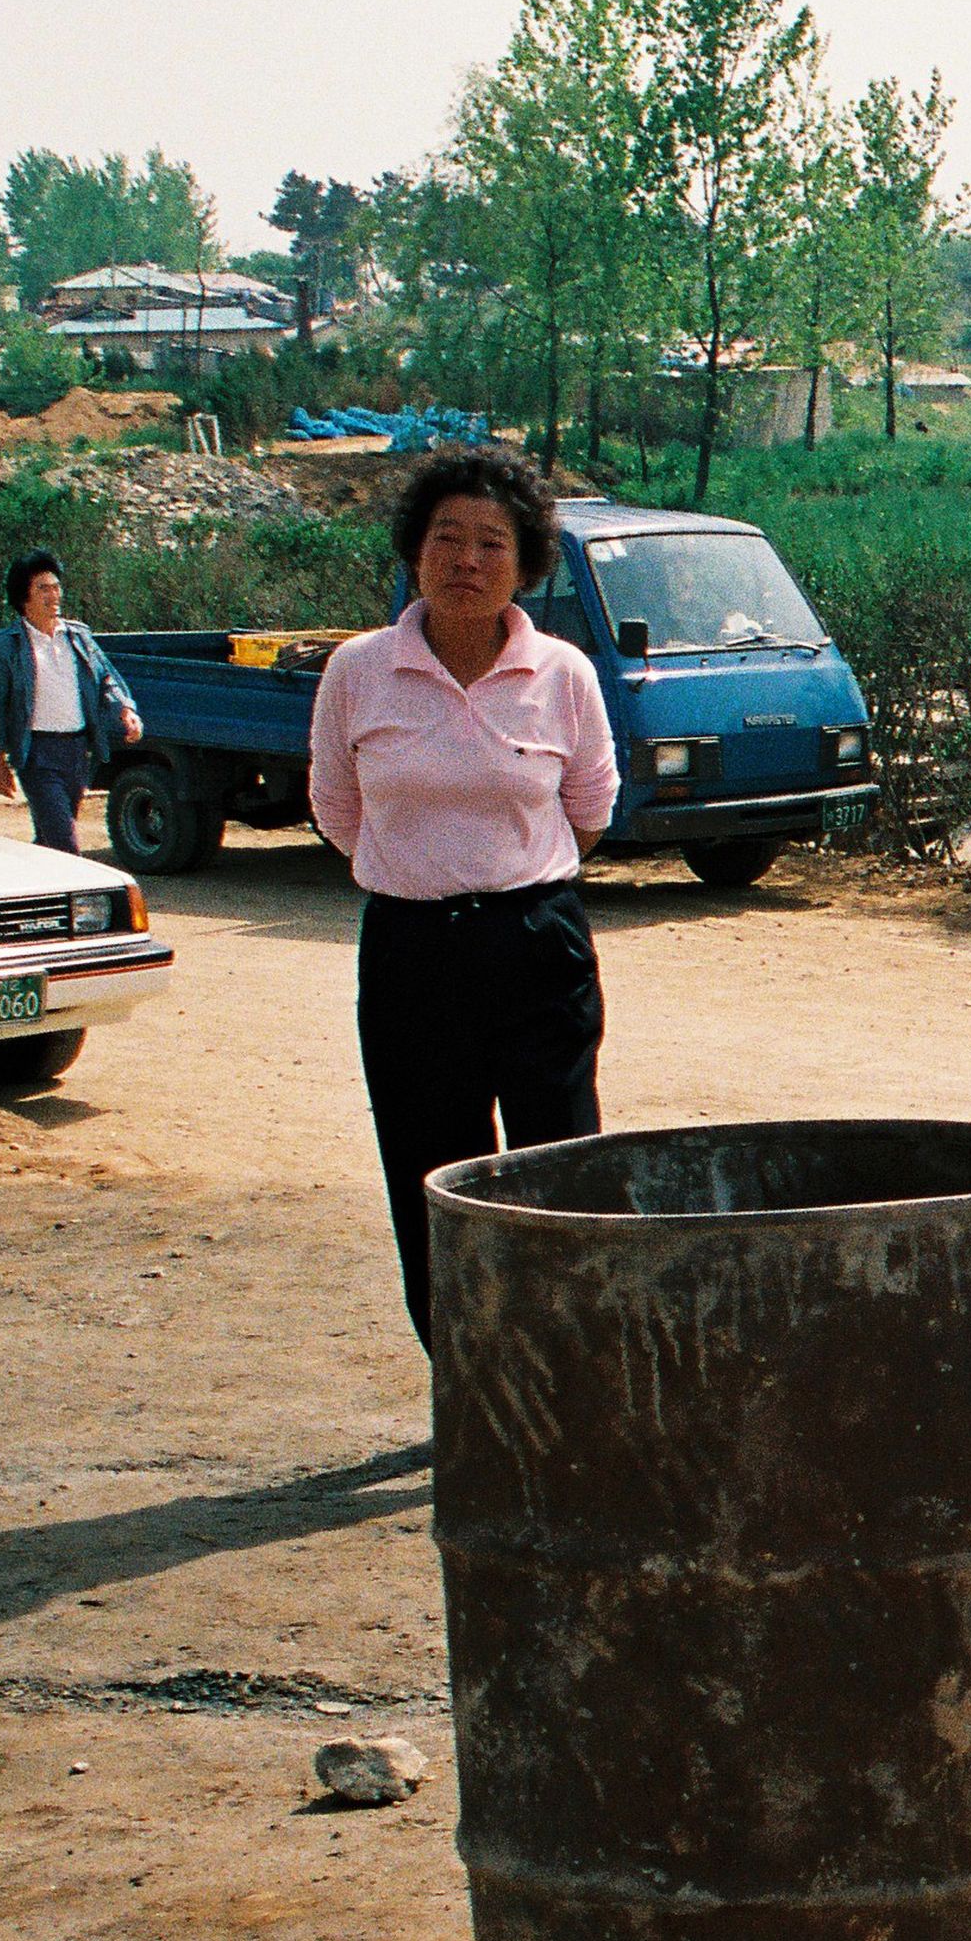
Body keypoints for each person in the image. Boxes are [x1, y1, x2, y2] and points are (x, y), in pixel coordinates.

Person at [307, 452, 620, 1350]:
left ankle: (566, 1368)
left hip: (537, 947)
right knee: (428, 1167)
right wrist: (425, 871)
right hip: (412, 953)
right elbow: (336, 808)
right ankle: (466, 1379)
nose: (467, 560)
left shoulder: (563, 675)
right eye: (448, 538)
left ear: (525, 565)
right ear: (415, 551)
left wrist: (503, 875)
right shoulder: (359, 672)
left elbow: (591, 811)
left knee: (558, 1165)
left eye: (493, 543)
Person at [0, 551, 143, 853]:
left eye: (56, 587)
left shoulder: (77, 637)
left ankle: (33, 891)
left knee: (49, 841)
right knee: (64, 841)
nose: (53, 595)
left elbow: (106, 679)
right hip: (37, 753)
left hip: (77, 750)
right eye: (43, 588)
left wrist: (126, 710)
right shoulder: (5, 647)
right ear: (23, 596)